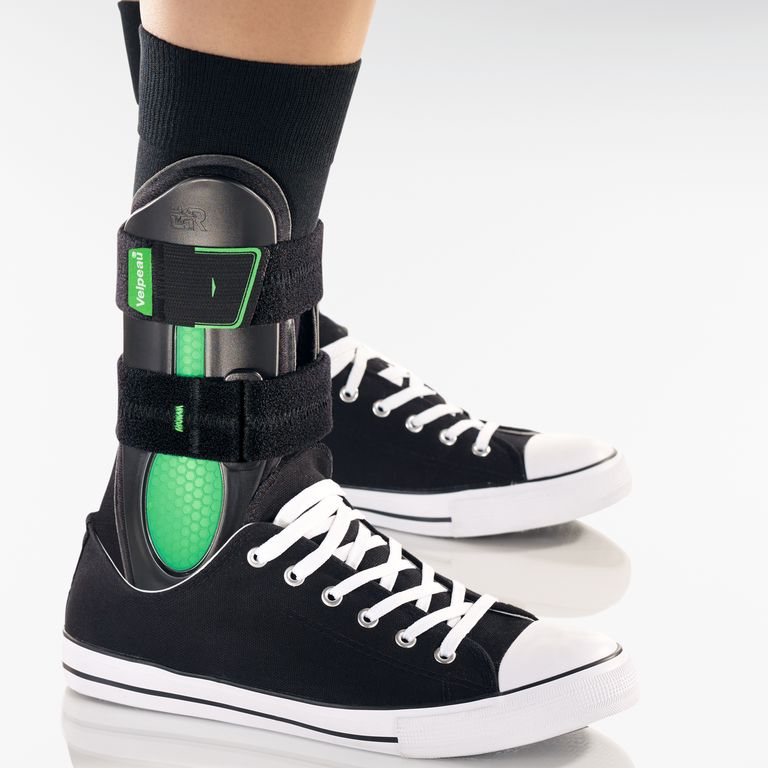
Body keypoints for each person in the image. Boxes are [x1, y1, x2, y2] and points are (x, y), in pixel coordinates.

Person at [63, 1, 638, 757]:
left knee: (224, 221)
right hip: (194, 525)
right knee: (211, 209)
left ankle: (269, 370)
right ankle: (191, 529)